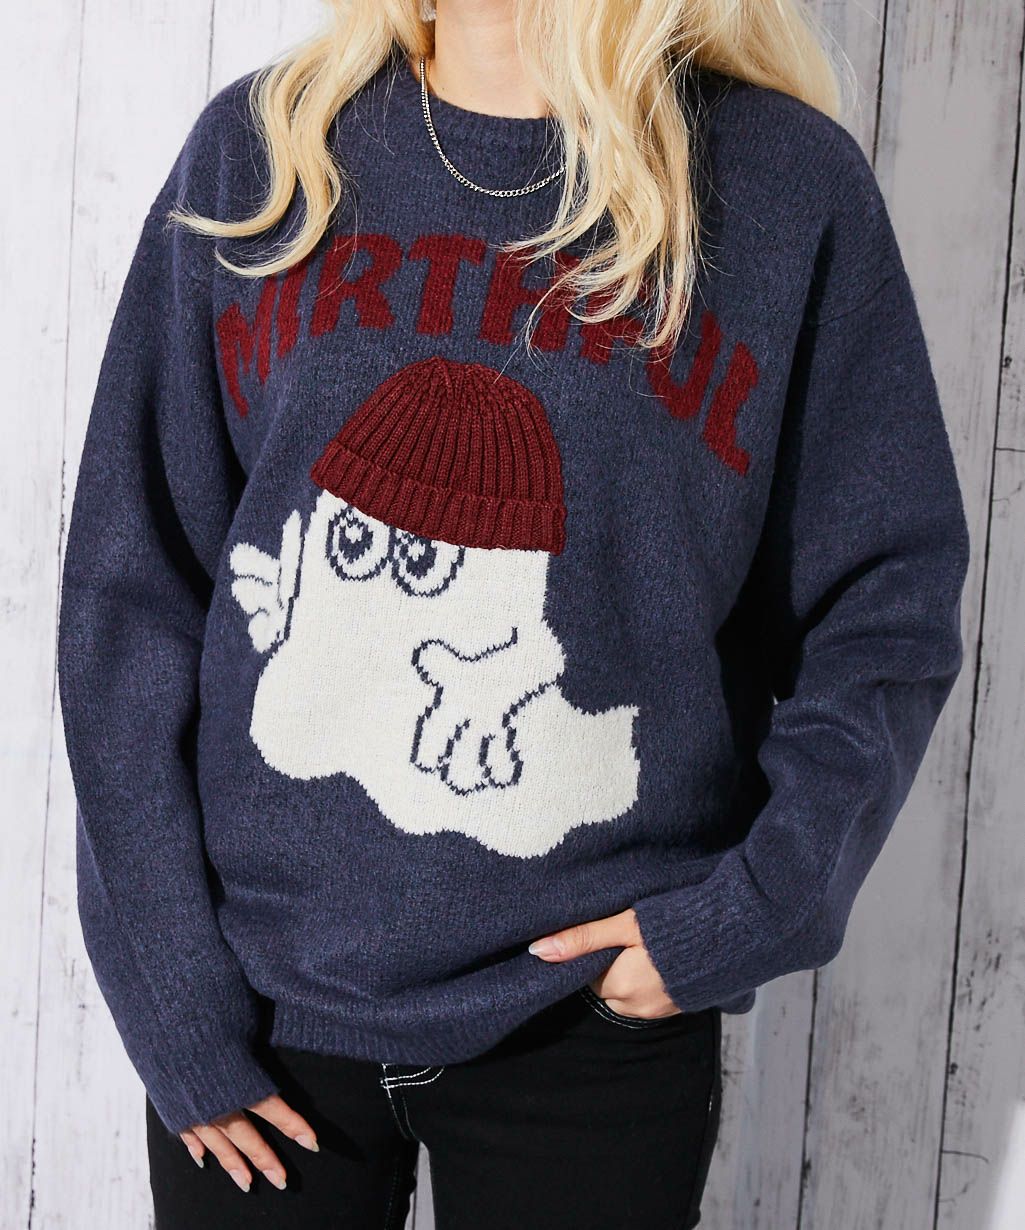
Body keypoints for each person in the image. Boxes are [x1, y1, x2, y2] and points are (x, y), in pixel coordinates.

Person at [56, 0, 970, 1226]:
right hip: (266, 1013)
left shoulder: (777, 186)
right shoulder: (269, 153)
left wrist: (759, 906)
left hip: (587, 1024)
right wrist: (171, 994)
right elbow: (131, 596)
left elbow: (882, 605)